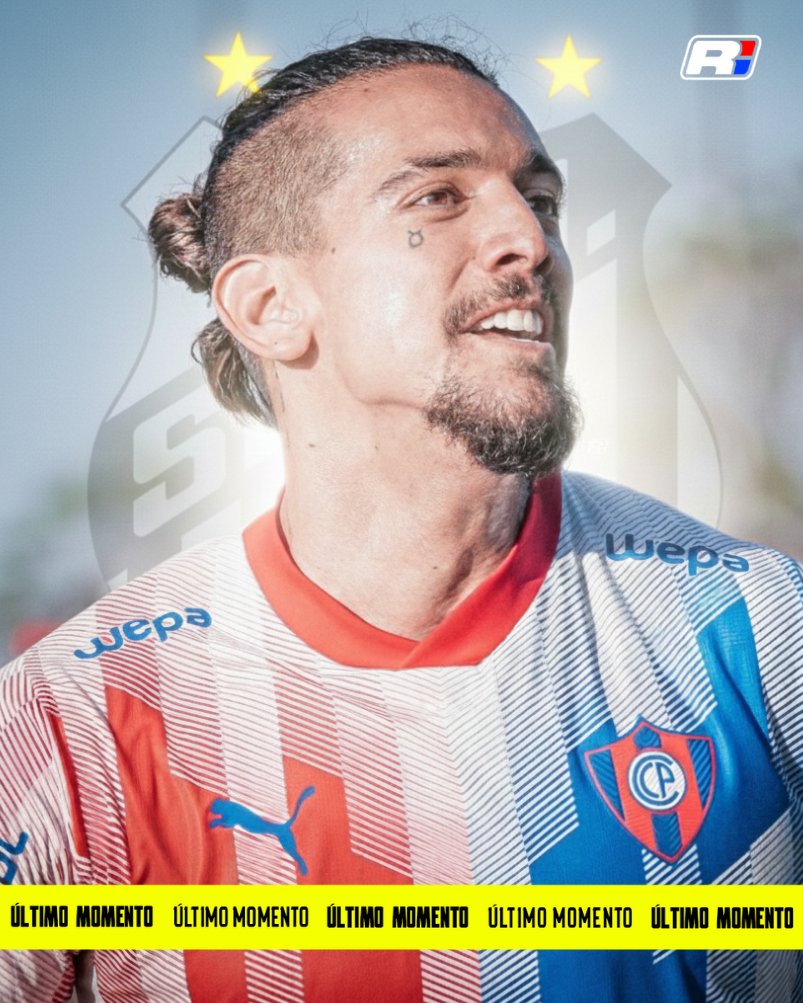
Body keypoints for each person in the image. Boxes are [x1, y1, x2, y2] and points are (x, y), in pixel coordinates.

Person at [1, 36, 801, 1003]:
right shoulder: (71, 717)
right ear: (270, 304)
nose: (531, 241)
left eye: (539, 200)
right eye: (437, 197)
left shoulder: (765, 628)